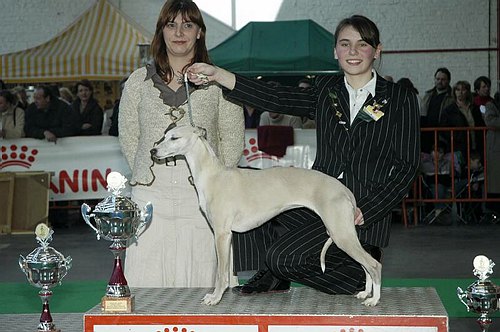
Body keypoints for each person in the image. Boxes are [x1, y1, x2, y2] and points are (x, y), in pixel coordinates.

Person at [187, 15, 419, 296]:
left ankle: (352, 272)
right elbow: (275, 98)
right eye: (345, 44)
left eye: (362, 44)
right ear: (335, 51)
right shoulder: (325, 91)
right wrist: (218, 75)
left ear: (377, 50)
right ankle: (273, 275)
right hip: (316, 198)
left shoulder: (400, 98)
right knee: (252, 191)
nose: (353, 51)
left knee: (283, 258)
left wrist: (367, 210)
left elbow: (407, 168)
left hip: (361, 210)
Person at [119, 0, 244, 288]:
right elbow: (128, 134)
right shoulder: (138, 81)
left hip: (202, 196)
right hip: (151, 196)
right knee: (146, 280)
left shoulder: (218, 81)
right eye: (171, 24)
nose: (179, 32)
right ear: (161, 31)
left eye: (188, 25)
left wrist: (216, 182)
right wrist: (144, 173)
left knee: (202, 277)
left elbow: (232, 136)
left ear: (200, 32)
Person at [440, 80, 485, 161]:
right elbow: (444, 130)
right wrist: (455, 138)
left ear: (467, 92)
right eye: (457, 90)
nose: (460, 92)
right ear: (454, 92)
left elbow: (481, 124)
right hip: (459, 147)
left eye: (463, 89)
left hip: (476, 145)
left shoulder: (475, 108)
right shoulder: (449, 110)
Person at [420, 68, 454, 153]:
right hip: (427, 134)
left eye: (443, 79)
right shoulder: (428, 95)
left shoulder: (452, 97)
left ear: (448, 81)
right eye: (438, 79)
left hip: (443, 134)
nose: (440, 81)